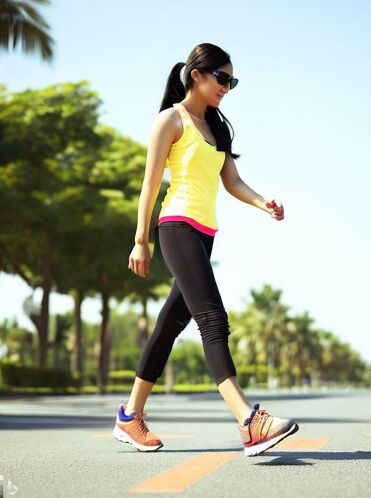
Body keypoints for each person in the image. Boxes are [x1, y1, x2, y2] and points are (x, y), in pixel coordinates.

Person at [112, 42, 299, 457]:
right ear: (197, 74)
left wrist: (262, 203)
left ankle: (130, 416)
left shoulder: (217, 127)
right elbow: (150, 183)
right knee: (212, 318)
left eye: (232, 81)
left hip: (204, 232)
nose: (227, 87)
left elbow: (231, 181)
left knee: (170, 323)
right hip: (175, 226)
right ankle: (250, 422)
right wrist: (140, 240)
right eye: (222, 78)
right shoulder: (170, 120)